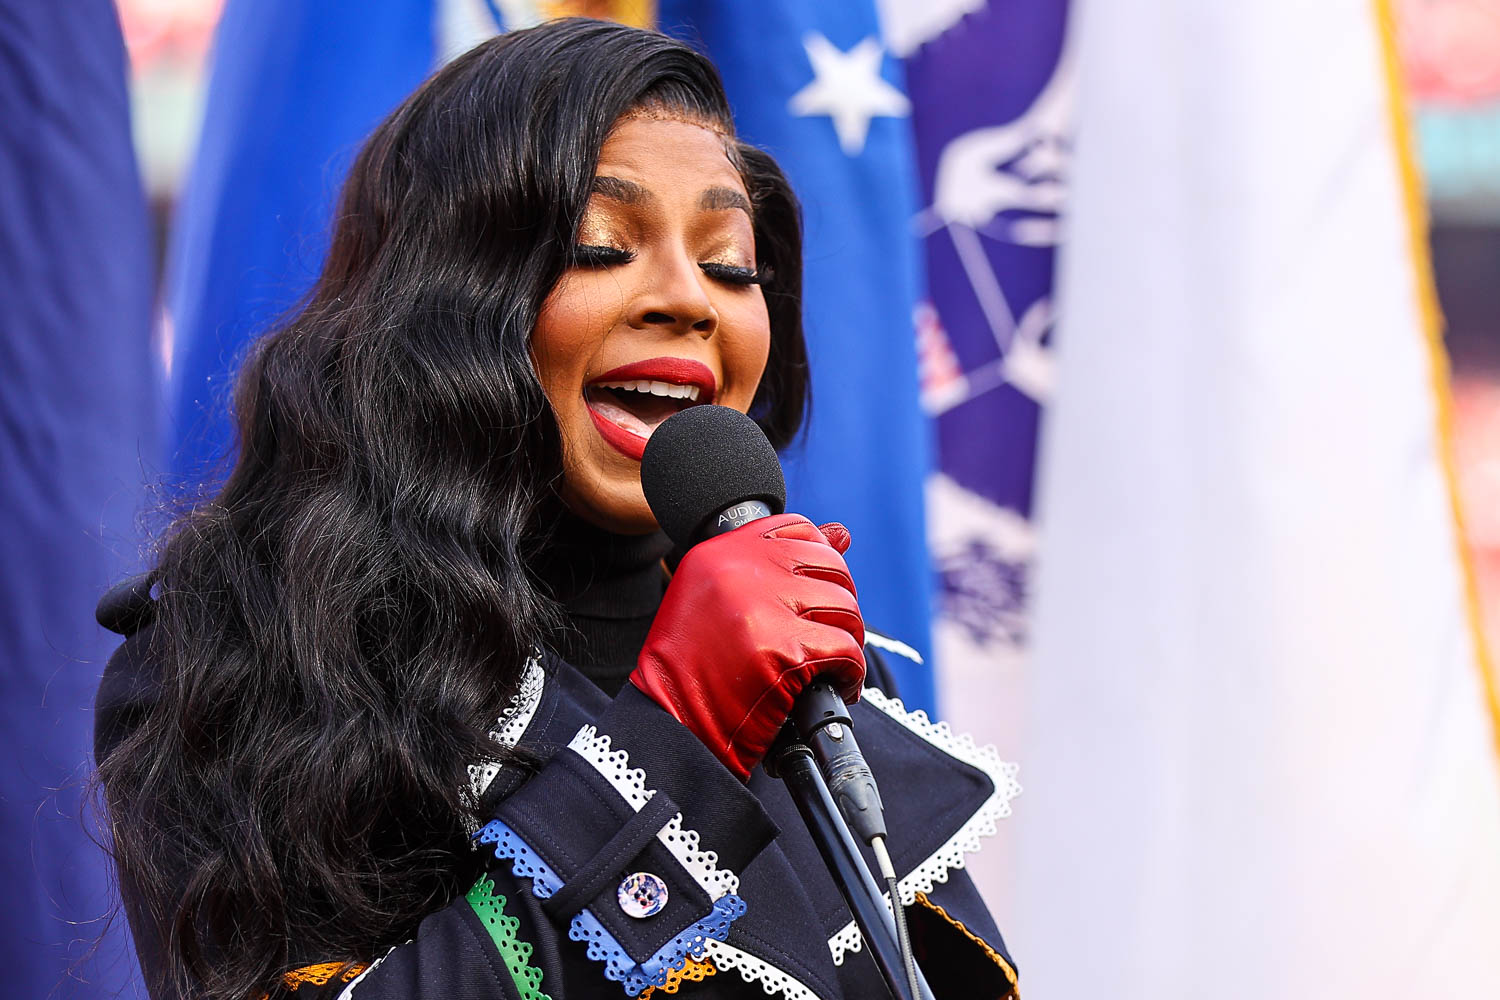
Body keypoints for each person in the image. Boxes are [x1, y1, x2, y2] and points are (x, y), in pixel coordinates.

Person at [94, 18, 1020, 1000]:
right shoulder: (241, 655)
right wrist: (673, 740)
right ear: (449, 302)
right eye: (601, 246)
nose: (688, 300)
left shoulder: (818, 686)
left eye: (731, 265)